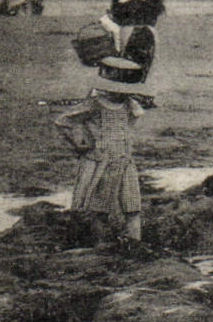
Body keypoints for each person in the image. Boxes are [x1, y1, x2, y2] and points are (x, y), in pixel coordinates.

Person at [54, 57, 154, 244]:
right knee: (98, 209)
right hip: (101, 162)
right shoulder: (94, 104)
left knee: (133, 208)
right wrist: (80, 141)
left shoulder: (130, 105)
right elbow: (64, 121)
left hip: (124, 162)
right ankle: (99, 248)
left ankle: (136, 245)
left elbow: (130, 126)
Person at [98, 0, 165, 73]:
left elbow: (116, 18)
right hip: (150, 33)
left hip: (127, 32)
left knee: (128, 59)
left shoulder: (123, 3)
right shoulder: (150, 4)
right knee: (150, 59)